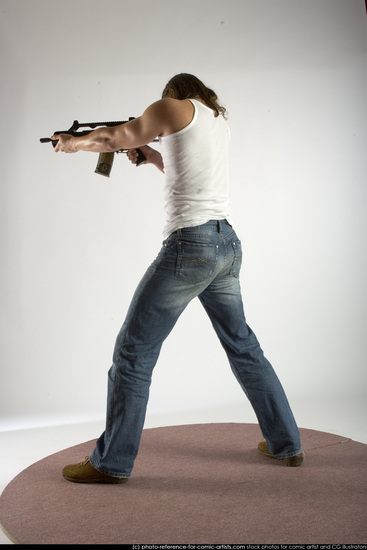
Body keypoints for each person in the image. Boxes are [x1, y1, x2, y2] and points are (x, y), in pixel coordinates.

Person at [54, 73, 304, 484]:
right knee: (244, 347)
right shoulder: (215, 122)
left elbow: (111, 138)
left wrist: (72, 143)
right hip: (226, 244)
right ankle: (287, 444)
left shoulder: (169, 107)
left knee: (132, 354)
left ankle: (110, 463)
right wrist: (149, 155)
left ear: (172, 96)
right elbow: (182, 168)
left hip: (191, 247)